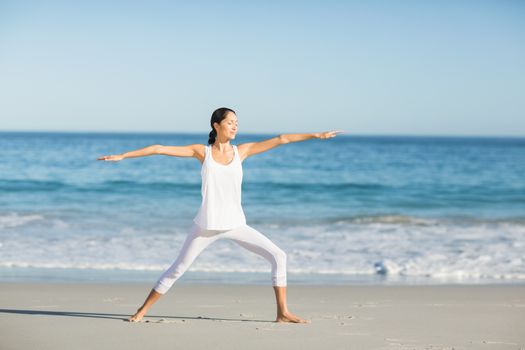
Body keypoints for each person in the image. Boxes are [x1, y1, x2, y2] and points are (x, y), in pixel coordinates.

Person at [97, 107, 343, 323]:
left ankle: (282, 312)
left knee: (279, 256)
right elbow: (159, 149)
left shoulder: (242, 151)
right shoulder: (201, 152)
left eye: (237, 122)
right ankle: (142, 310)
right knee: (177, 269)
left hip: (236, 224)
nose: (235, 126)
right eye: (230, 122)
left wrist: (316, 135)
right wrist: (123, 156)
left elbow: (281, 139)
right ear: (217, 125)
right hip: (206, 225)